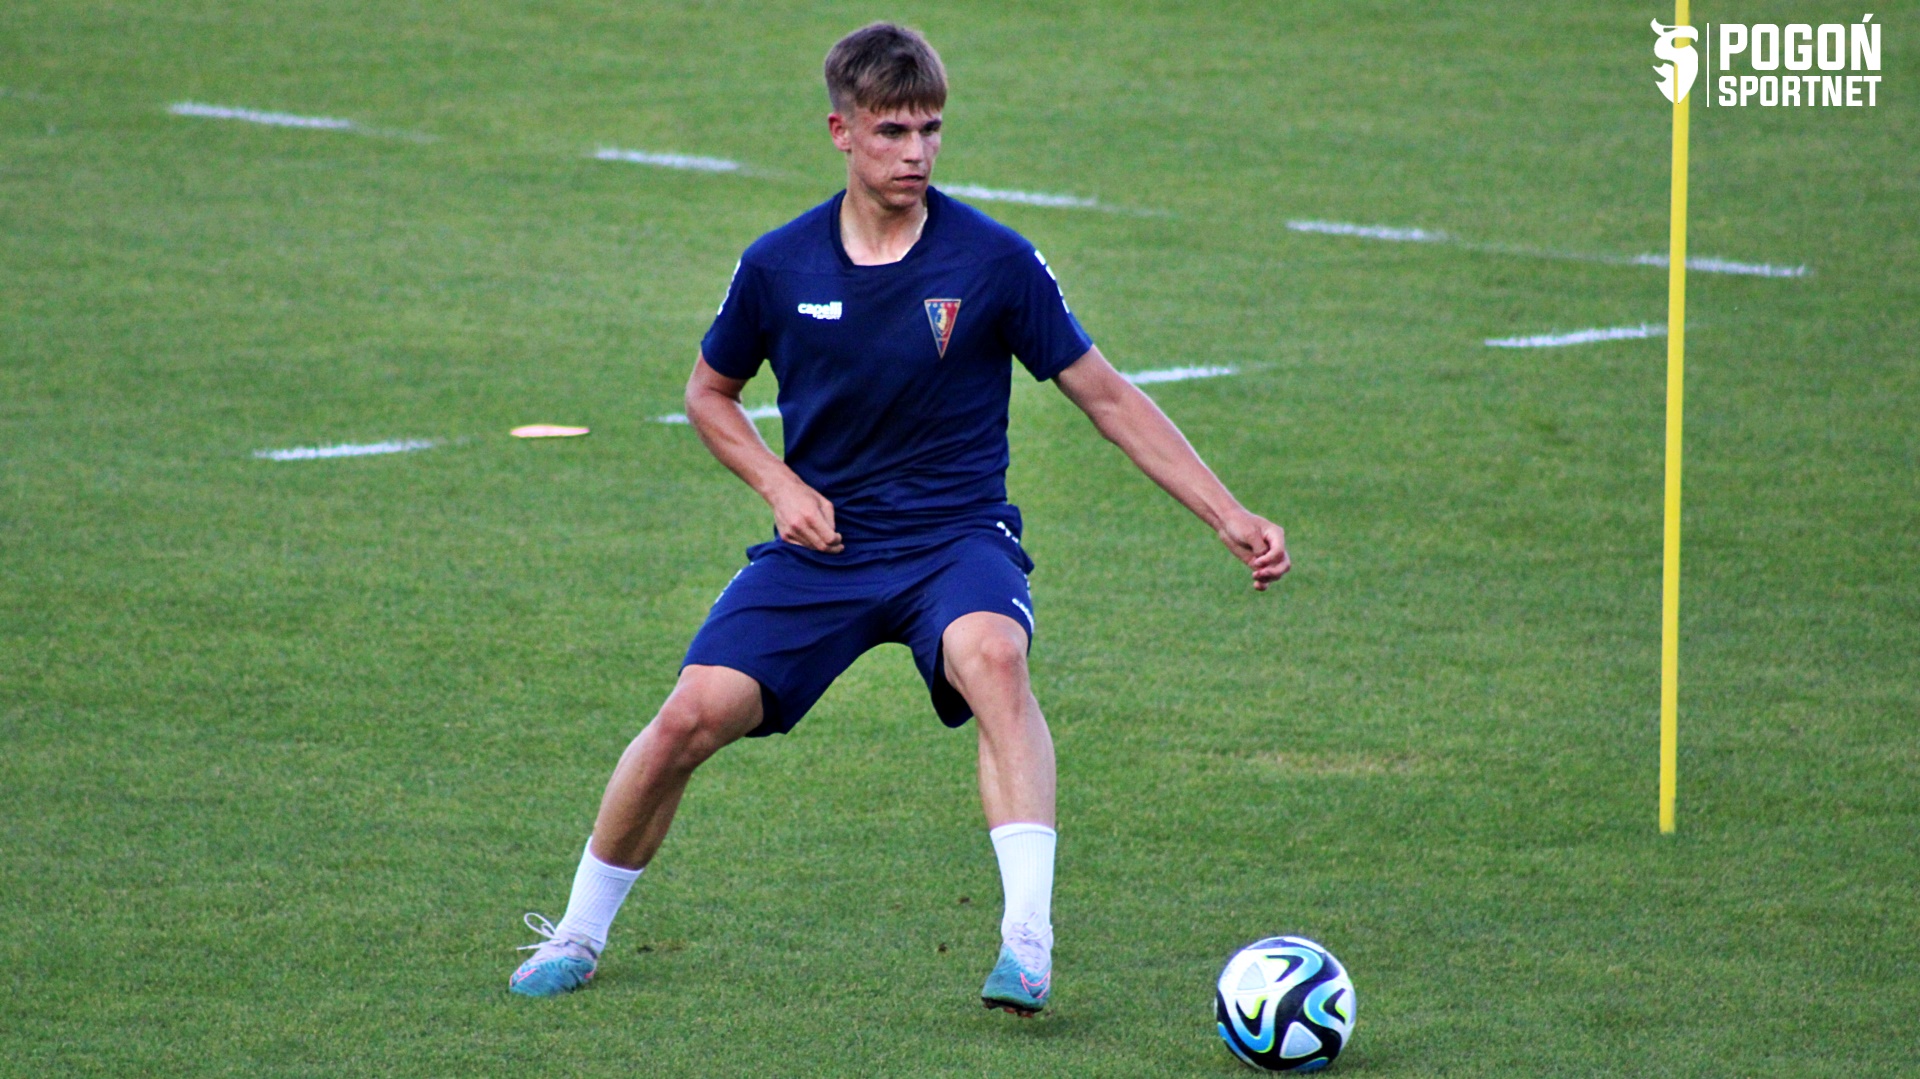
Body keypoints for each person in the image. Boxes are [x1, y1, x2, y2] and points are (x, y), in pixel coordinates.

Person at [509, 21, 1289, 1015]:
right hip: (824, 549)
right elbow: (709, 393)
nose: (916, 152)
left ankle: (1027, 940)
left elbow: (1106, 394)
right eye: (892, 131)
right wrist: (780, 487)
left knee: (993, 657)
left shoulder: (994, 261)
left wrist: (1226, 510)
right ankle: (578, 931)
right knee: (686, 719)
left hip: (956, 539)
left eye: (930, 129)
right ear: (842, 130)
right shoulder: (779, 265)